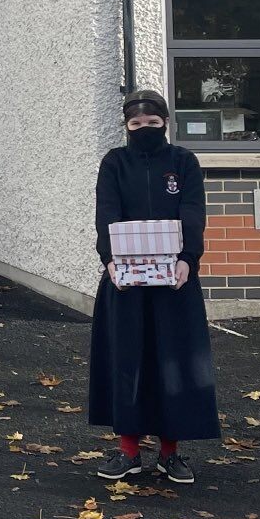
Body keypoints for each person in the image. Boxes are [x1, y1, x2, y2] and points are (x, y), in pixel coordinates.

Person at [87, 89, 218, 485]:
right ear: (127, 126)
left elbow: (193, 210)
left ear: (165, 123)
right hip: (125, 282)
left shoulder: (183, 162)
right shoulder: (115, 163)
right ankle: (127, 449)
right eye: (136, 124)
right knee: (128, 361)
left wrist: (187, 260)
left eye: (152, 123)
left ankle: (170, 452)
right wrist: (110, 259)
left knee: (171, 363)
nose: (144, 129)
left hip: (174, 283)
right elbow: (106, 211)